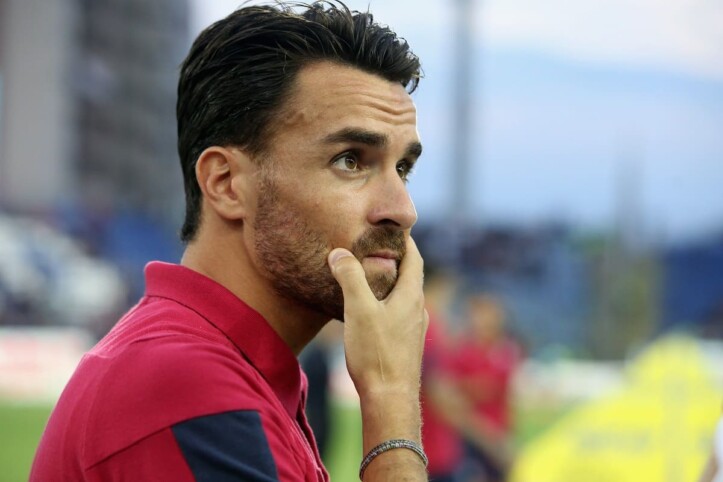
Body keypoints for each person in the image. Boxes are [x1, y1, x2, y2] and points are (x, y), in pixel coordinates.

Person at [30, 3, 429, 481]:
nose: (403, 209)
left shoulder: (224, 366)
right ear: (225, 183)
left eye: (402, 168)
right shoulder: (185, 384)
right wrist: (391, 401)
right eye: (350, 160)